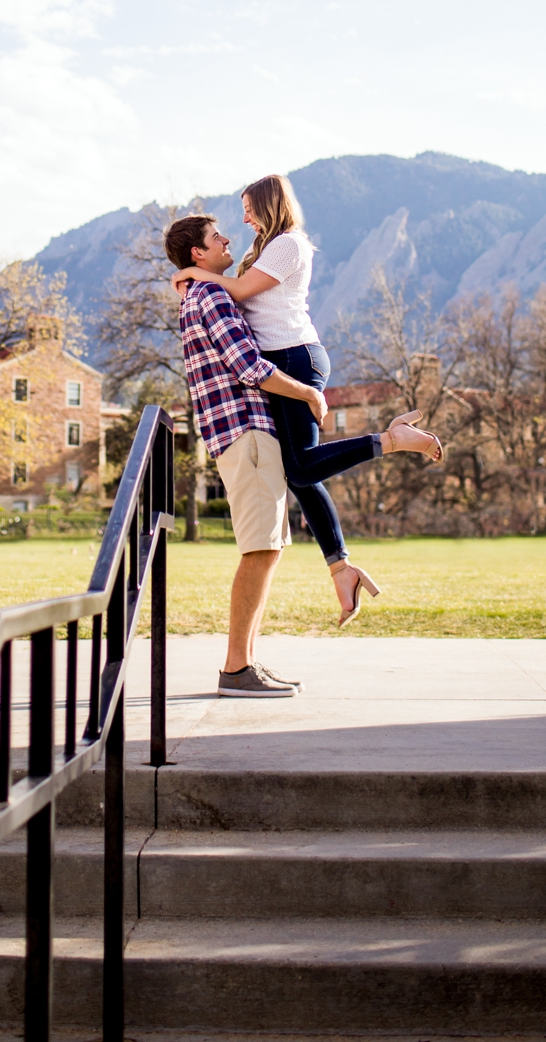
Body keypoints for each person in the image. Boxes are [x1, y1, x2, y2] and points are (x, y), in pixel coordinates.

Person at [166, 211, 441, 699]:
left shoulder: (204, 290)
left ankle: (245, 662)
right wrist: (309, 395)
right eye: (216, 237)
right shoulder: (211, 296)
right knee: (259, 551)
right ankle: (235, 669)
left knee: (268, 549)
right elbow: (248, 366)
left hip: (246, 434)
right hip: (245, 431)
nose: (228, 237)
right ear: (198, 253)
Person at [171, 174, 389, 623]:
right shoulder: (264, 249)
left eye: (249, 208)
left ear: (269, 205)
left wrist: (195, 274)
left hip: (293, 358)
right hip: (280, 364)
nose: (243, 219)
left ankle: (391, 441)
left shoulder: (288, 244)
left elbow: (246, 291)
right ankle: (341, 567)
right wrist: (200, 277)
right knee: (300, 472)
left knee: (301, 465)